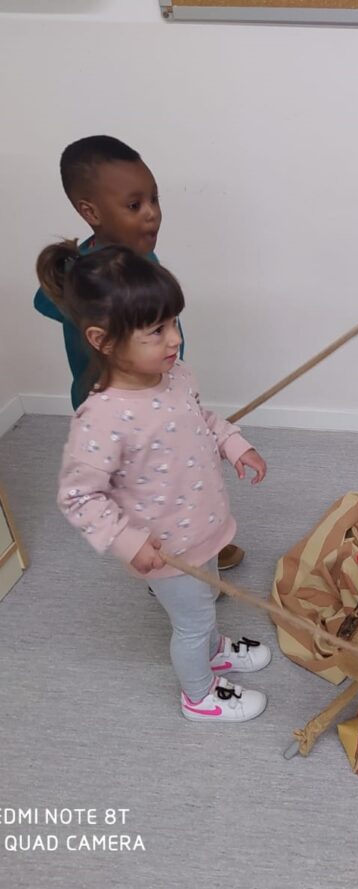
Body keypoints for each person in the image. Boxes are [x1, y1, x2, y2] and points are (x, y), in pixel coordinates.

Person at [41, 242, 271, 723]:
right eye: (156, 331)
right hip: (166, 548)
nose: (174, 340)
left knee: (205, 603)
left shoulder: (176, 376)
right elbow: (78, 496)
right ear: (103, 340)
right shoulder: (102, 418)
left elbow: (201, 420)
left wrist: (233, 444)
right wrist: (128, 541)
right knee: (191, 622)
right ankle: (199, 696)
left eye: (173, 324)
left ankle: (213, 650)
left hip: (204, 526)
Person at [33, 135, 244, 571]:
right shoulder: (84, 277)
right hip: (121, 405)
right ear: (91, 212)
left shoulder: (143, 257)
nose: (151, 213)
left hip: (159, 385)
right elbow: (45, 300)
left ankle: (198, 538)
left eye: (154, 200)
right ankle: (165, 556)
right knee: (144, 483)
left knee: (181, 465)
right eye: (134, 205)